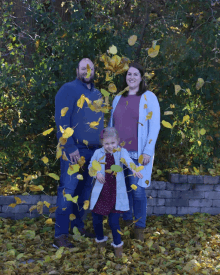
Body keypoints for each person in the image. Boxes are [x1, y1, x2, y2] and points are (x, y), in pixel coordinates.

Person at [53, 58, 104, 248]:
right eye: (83, 68)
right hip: (74, 150)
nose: (86, 71)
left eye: (89, 68)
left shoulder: (98, 94)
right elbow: (61, 121)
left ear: (94, 71)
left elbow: (99, 123)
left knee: (84, 194)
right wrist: (70, 147)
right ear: (77, 70)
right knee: (68, 191)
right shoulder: (68, 90)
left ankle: (77, 228)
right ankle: (60, 236)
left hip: (94, 152)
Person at [108, 62, 160, 242]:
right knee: (123, 191)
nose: (131, 77)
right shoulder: (118, 99)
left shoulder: (149, 97)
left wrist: (148, 151)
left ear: (141, 77)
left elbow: (154, 127)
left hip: (138, 155)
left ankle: (139, 228)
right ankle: (127, 222)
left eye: (135, 74)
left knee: (138, 192)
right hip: (119, 154)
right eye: (128, 74)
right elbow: (111, 127)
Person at [88, 127, 143, 257]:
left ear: (118, 141)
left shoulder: (121, 152)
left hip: (115, 193)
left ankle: (118, 246)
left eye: (113, 143)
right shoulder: (98, 153)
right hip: (101, 193)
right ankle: (100, 241)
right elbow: (91, 166)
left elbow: (128, 161)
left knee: (114, 222)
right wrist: (97, 173)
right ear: (102, 142)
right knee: (96, 219)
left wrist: (134, 169)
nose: (110, 146)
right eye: (106, 144)